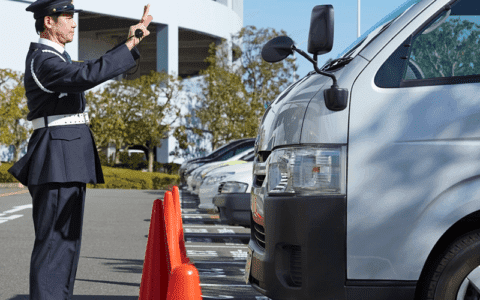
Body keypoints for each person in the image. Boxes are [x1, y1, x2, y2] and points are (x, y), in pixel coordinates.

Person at [7, 1, 153, 299]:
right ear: (49, 22)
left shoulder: (56, 58)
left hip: (65, 156)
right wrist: (131, 42)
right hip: (56, 157)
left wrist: (130, 43)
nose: (73, 24)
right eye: (67, 19)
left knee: (66, 242)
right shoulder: (42, 59)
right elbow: (85, 77)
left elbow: (88, 70)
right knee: (54, 244)